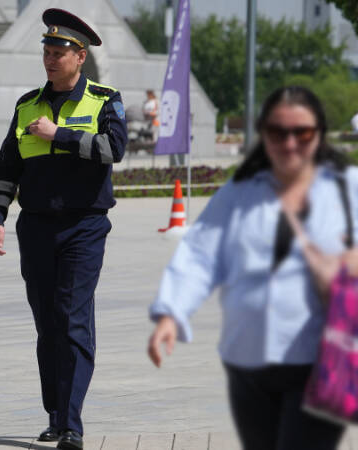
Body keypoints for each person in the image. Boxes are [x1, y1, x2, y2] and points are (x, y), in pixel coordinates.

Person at [147, 86, 350, 450]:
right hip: (247, 360)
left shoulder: (347, 189)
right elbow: (200, 253)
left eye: (302, 133)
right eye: (278, 132)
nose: (290, 143)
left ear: (319, 134)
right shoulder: (240, 192)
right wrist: (171, 313)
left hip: (320, 360)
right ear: (263, 135)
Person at [0, 9, 127, 450]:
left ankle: (72, 426)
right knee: (47, 324)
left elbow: (114, 148)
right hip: (36, 228)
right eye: (46, 51)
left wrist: (58, 134)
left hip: (84, 226)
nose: (50, 59)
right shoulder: (27, 104)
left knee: (72, 320)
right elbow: (6, 168)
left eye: (59, 52)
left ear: (80, 56)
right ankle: (55, 415)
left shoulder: (104, 99)